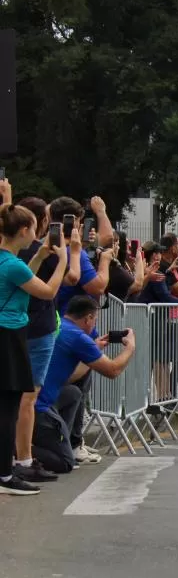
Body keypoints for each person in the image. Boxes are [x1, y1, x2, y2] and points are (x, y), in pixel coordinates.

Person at [0, 188, 69, 495]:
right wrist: (65, 258)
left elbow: (24, 281)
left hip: (9, 333)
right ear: (25, 230)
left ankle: (5, 469)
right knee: (8, 408)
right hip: (8, 335)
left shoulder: (8, 261)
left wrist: (41, 256)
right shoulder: (11, 265)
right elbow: (47, 291)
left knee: (9, 405)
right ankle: (5, 474)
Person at [14, 198, 83, 483]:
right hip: (36, 329)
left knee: (15, 397)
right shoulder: (31, 255)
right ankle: (23, 459)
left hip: (23, 329)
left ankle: (17, 459)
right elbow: (59, 284)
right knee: (27, 397)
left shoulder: (23, 255)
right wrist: (72, 253)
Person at [32, 296, 136, 473]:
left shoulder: (60, 325)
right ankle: (16, 448)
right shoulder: (79, 337)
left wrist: (93, 351)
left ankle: (62, 439)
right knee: (65, 463)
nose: (94, 325)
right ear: (88, 318)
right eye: (94, 320)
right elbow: (112, 370)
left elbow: (70, 377)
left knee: (73, 393)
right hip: (39, 405)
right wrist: (130, 348)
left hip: (34, 395)